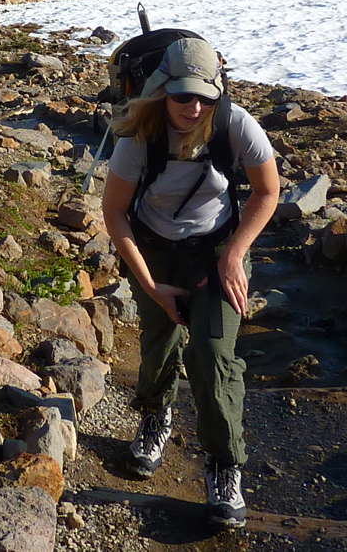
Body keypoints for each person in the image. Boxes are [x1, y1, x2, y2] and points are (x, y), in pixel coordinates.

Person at [102, 37, 280, 528]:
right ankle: (155, 416)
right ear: (163, 91)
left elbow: (268, 191)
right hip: (156, 252)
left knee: (213, 355)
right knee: (159, 342)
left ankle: (224, 464)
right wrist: (150, 285)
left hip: (216, 251)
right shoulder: (139, 136)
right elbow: (114, 213)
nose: (194, 107)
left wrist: (235, 255)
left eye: (204, 97)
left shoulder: (235, 125)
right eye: (182, 95)